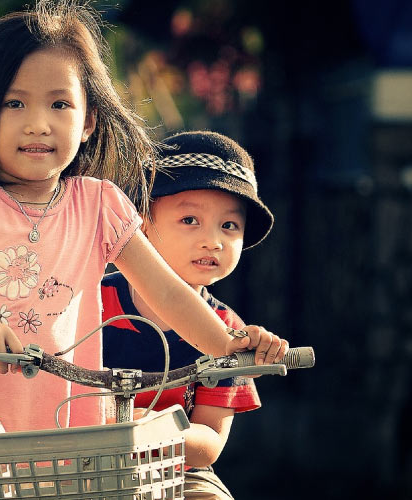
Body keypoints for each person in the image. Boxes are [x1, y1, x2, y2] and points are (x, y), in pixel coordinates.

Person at [0, 2, 287, 498]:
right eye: (13, 103)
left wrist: (230, 347)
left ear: (88, 121)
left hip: (43, 456)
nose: (38, 124)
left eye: (60, 105)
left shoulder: (99, 205)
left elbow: (172, 296)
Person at [102, 130, 285, 499]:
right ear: (141, 222)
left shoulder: (228, 331)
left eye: (229, 226)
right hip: (83, 457)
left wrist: (152, 431)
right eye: (190, 220)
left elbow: (210, 440)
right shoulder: (92, 298)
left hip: (175, 469)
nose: (212, 240)